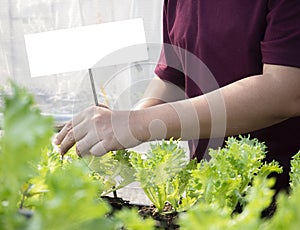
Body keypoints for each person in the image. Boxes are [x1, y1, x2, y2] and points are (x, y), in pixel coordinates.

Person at [55, 0, 300, 193]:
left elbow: (285, 90)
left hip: (286, 194)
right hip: (214, 188)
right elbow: (174, 76)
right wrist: (121, 124)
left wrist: (138, 124)